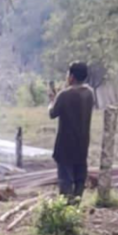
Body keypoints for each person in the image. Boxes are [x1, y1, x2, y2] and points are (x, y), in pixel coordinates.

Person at [48, 62, 96, 202]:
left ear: (72, 77)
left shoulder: (64, 95)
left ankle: (66, 211)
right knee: (79, 178)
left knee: (66, 180)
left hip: (65, 145)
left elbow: (52, 113)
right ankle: (76, 208)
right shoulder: (90, 93)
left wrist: (52, 101)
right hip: (82, 144)